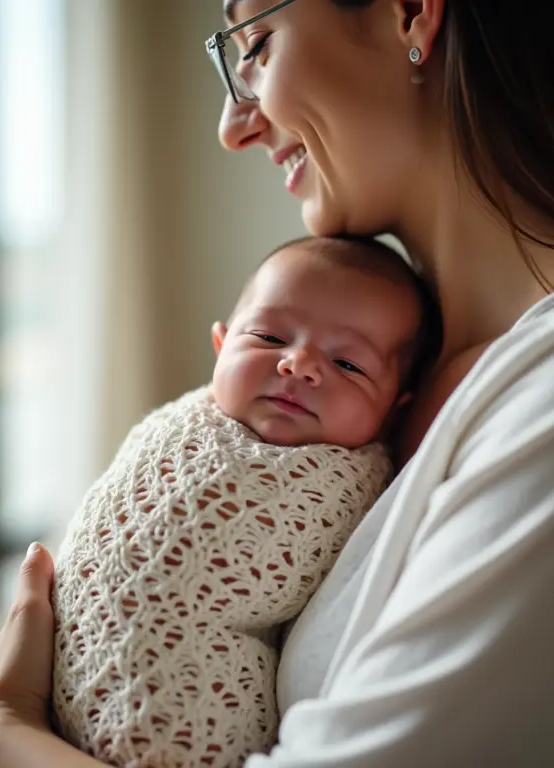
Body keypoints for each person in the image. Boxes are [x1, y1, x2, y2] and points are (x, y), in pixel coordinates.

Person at [0, 1, 554, 766]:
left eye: (257, 44)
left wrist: (5, 734)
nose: (233, 127)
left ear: (411, 13)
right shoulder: (388, 387)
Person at [50, 234, 435, 767]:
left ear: (394, 410)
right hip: (66, 680)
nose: (299, 364)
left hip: (192, 729)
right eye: (269, 337)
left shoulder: (356, 485)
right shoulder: (182, 423)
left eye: (348, 365)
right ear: (221, 344)